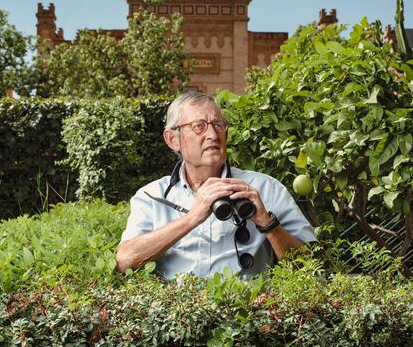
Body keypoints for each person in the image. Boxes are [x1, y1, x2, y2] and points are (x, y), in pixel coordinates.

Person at [116, 92, 316, 280]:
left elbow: (309, 266)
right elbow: (125, 262)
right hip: (177, 312)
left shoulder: (265, 188)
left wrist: (266, 222)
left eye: (219, 124)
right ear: (172, 139)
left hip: (249, 311)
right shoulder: (151, 197)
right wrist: (193, 217)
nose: (213, 134)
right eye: (199, 126)